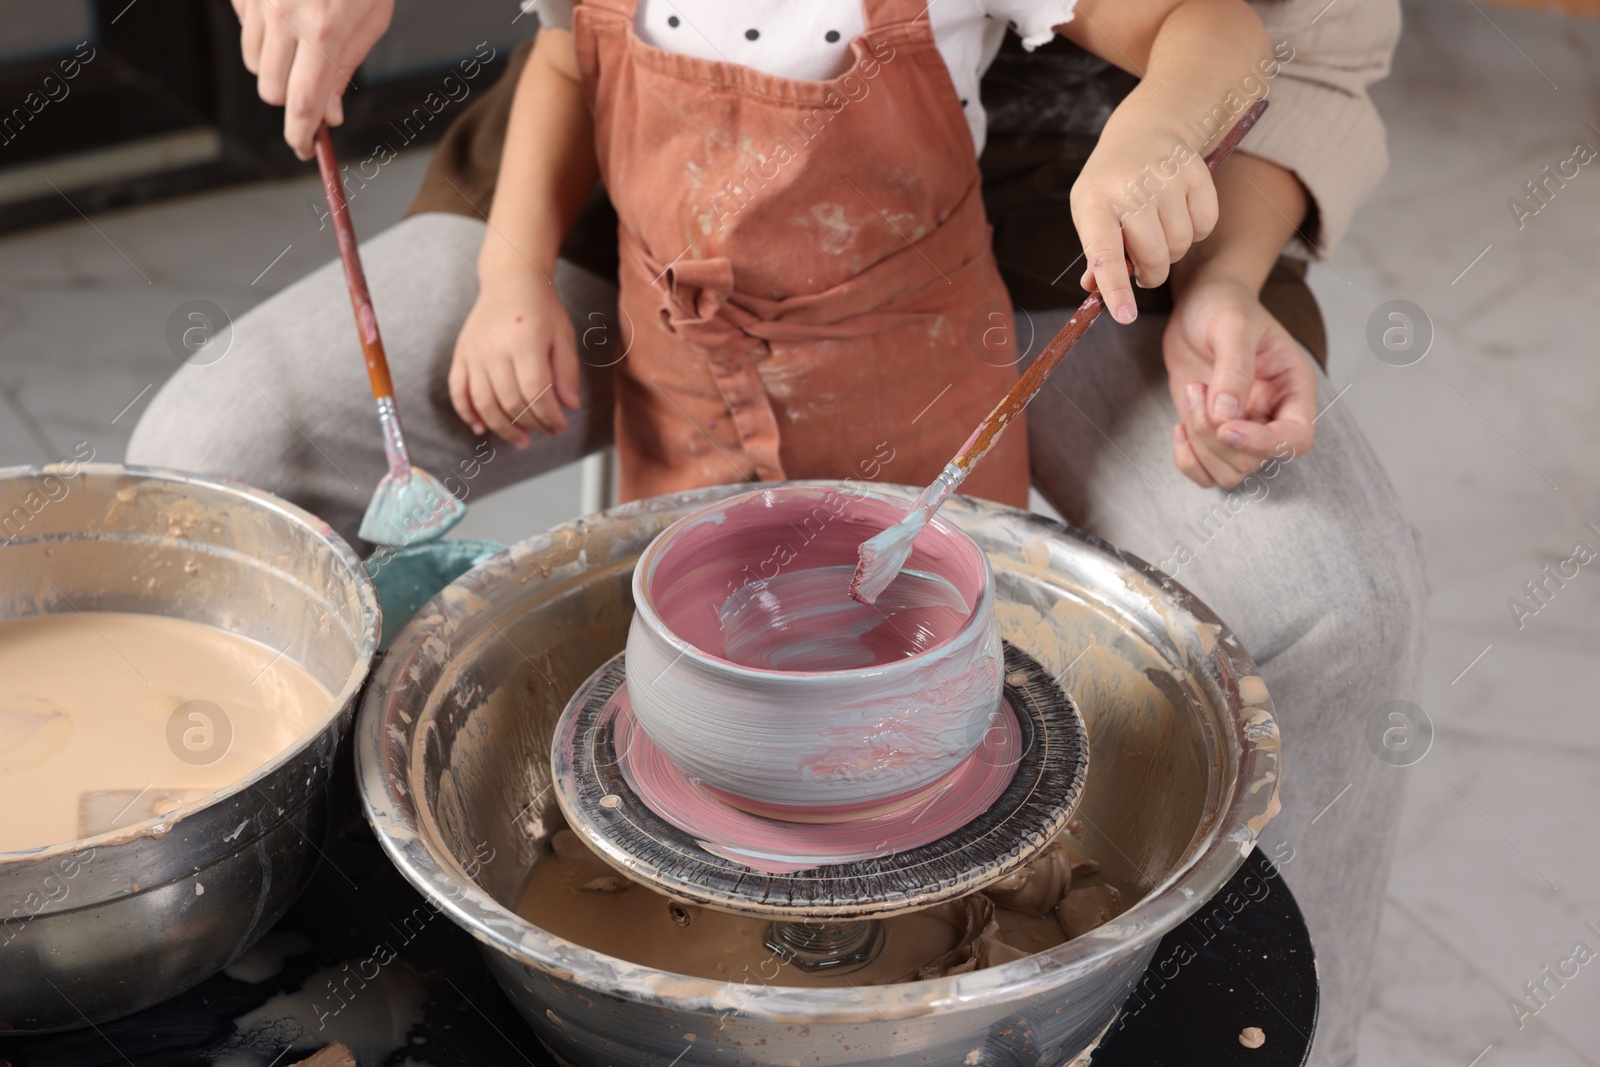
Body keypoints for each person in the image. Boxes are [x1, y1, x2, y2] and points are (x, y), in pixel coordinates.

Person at [129, 2, 1423, 1064]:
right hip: (654, 228)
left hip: (1007, 241)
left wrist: (1207, 230)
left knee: (1313, 606)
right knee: (221, 458)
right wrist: (511, 277)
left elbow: (1244, 39)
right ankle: (309, 988)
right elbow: (575, 57)